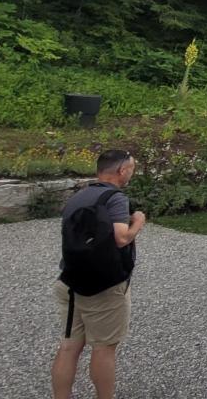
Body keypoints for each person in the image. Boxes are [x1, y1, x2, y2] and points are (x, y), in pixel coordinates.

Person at [51, 150, 145, 399]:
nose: (131, 174)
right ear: (121, 171)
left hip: (70, 280)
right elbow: (122, 237)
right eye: (131, 169)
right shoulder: (115, 198)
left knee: (69, 347)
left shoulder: (79, 196)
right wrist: (139, 221)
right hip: (104, 287)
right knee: (104, 349)